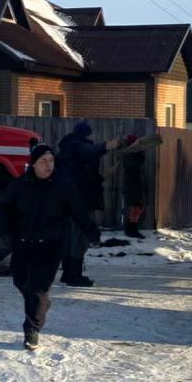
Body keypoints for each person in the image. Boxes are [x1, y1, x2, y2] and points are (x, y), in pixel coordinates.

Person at [0, 143, 99, 350]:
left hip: (51, 246)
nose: (48, 165)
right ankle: (42, 304)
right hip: (23, 243)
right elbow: (5, 211)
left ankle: (32, 330)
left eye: (51, 161)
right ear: (33, 164)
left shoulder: (63, 186)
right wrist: (1, 233)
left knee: (37, 288)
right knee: (20, 281)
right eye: (43, 161)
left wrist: (92, 232)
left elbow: (78, 212)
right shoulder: (18, 186)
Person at [55, 120, 125, 286]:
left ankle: (67, 274)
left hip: (67, 198)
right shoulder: (77, 145)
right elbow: (90, 152)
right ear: (85, 134)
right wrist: (110, 145)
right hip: (80, 200)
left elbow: (83, 169)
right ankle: (74, 276)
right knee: (79, 237)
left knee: (69, 236)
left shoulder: (66, 149)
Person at [120, 135, 147, 238]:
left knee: (138, 207)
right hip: (131, 184)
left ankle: (131, 229)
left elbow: (140, 163)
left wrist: (140, 155)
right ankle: (132, 230)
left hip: (136, 183)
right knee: (136, 207)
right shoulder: (128, 155)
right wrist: (138, 156)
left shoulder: (133, 154)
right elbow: (133, 168)